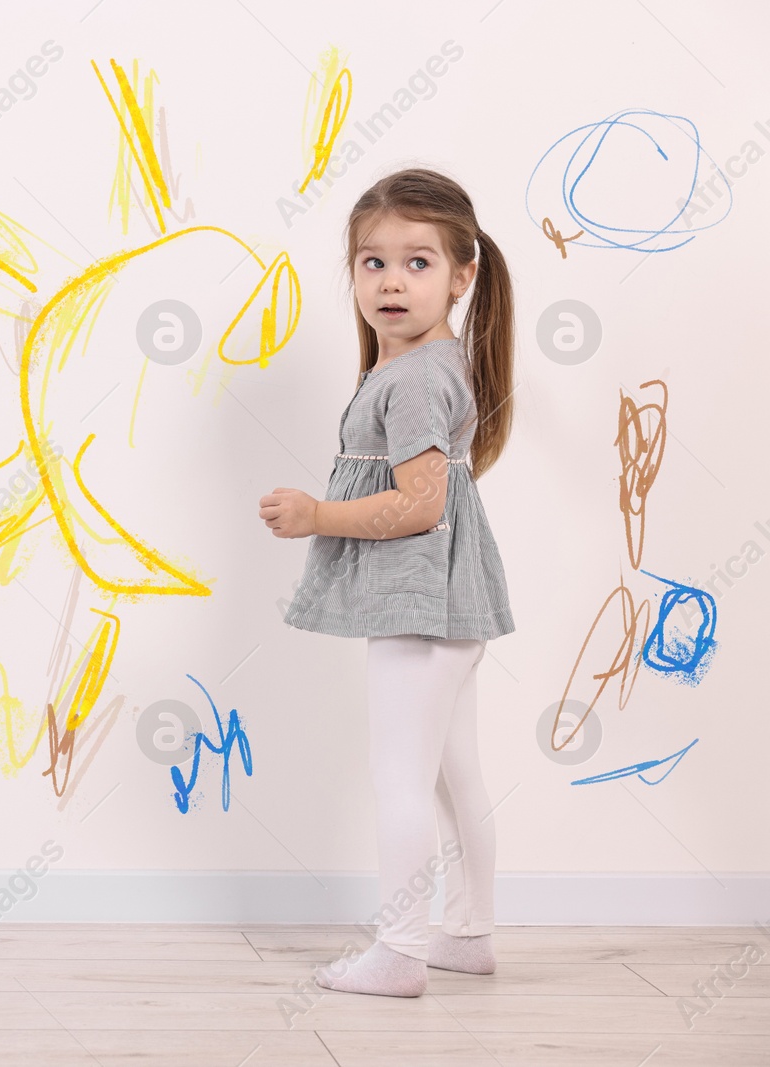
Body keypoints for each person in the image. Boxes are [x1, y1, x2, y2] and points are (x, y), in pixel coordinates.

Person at [257, 166, 517, 997]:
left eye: (418, 262)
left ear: (463, 275)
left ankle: (401, 949)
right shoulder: (430, 364)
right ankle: (468, 933)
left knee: (401, 776)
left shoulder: (412, 379)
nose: (392, 282)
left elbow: (416, 505)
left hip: (418, 602)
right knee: (452, 773)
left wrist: (315, 514)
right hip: (452, 602)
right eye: (373, 263)